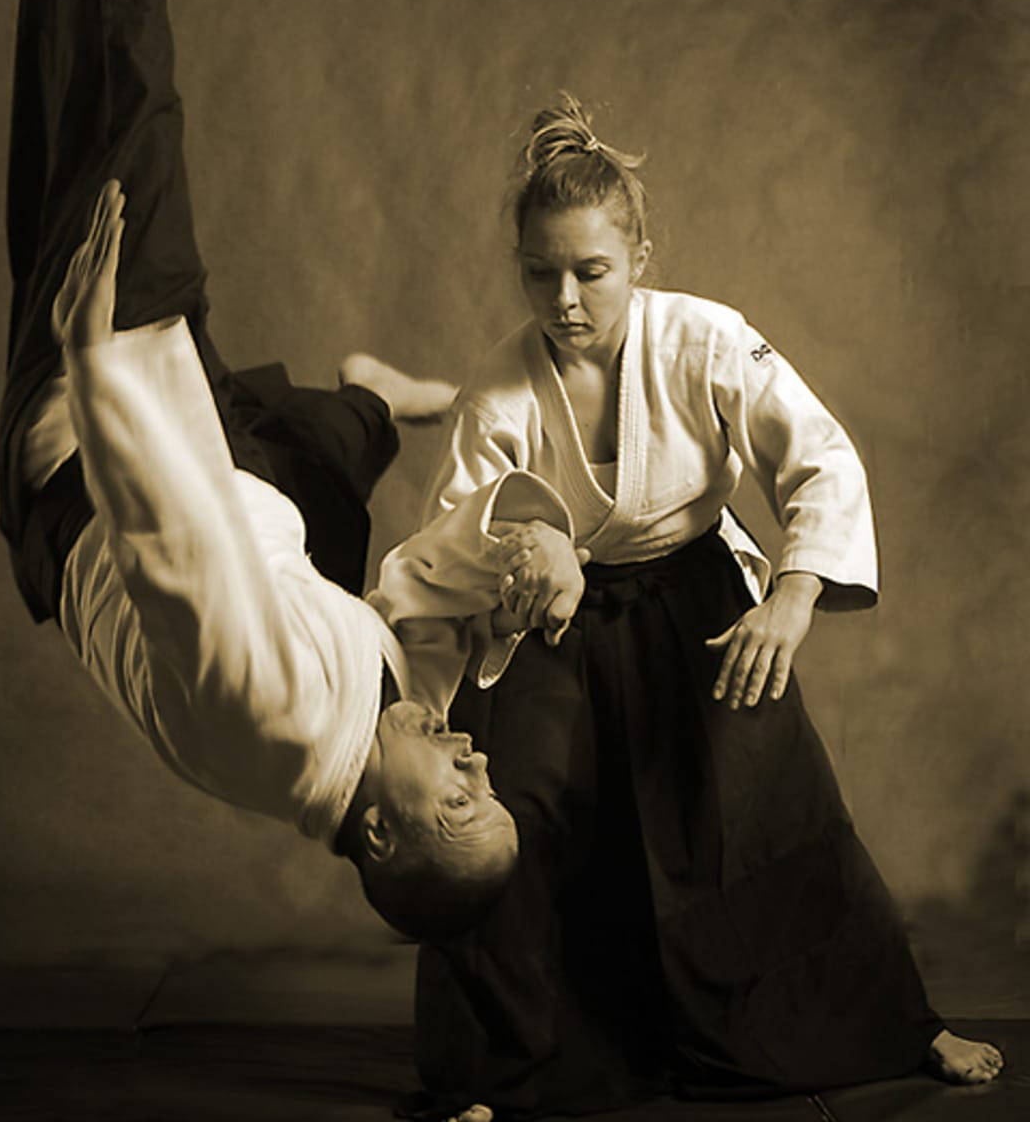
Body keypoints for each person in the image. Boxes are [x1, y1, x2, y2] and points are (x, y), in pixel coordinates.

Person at [381, 94, 1004, 1116]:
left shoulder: (707, 340)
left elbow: (818, 458)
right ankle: (501, 1070)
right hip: (553, 620)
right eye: (542, 273)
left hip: (697, 594)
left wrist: (793, 598)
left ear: (640, 256)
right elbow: (453, 537)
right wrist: (531, 551)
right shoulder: (499, 389)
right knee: (516, 819)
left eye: (593, 271)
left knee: (770, 798)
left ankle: (897, 1021)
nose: (567, 298)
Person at [0, 0, 527, 941]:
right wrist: (498, 605)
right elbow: (415, 610)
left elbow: (168, 543)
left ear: (376, 835)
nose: (477, 760)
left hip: (95, 452)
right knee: (325, 500)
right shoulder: (367, 731)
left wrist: (97, 362)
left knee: (121, 107)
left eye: (460, 798)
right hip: (243, 482)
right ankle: (364, 405)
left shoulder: (271, 711)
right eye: (487, 784)